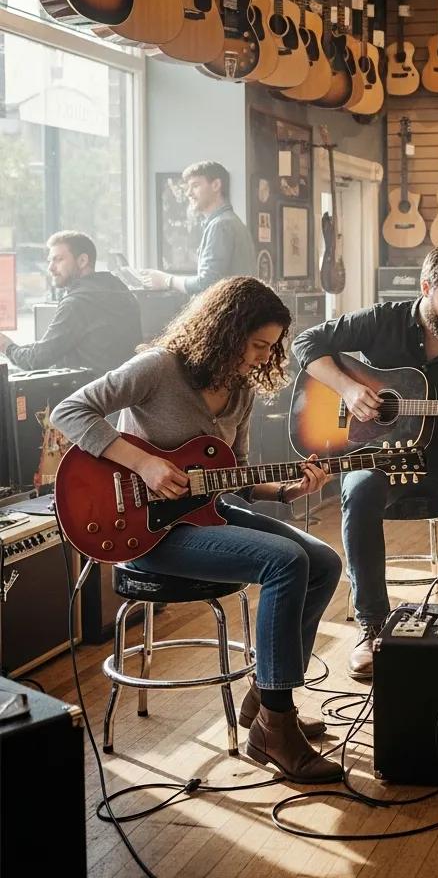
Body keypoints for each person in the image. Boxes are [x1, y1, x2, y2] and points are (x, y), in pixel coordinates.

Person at [51, 277, 344, 784]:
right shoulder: (158, 368)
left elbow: (240, 478)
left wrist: (292, 490)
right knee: (285, 560)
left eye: (270, 349)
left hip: (203, 516)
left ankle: (266, 700)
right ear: (226, 331)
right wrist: (142, 463)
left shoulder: (240, 393)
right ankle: (277, 724)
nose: (260, 357)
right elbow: (69, 410)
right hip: (145, 532)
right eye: (256, 345)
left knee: (323, 561)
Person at [292, 245, 438, 680]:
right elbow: (304, 342)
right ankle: (371, 626)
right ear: (426, 288)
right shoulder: (383, 320)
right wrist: (348, 389)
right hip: (379, 455)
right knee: (360, 489)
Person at [0, 231, 142, 375]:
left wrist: (5, 345)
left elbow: (36, 360)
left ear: (82, 261)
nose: (50, 268)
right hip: (126, 389)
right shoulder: (121, 291)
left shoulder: (77, 303)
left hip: (91, 393)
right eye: (50, 260)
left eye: (58, 259)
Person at [140, 161, 256, 296]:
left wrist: (166, 280)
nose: (188, 193)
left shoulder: (221, 225)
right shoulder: (230, 222)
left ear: (216, 185)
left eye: (195, 186)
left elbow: (207, 283)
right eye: (187, 188)